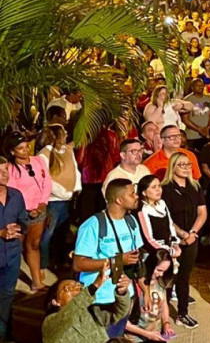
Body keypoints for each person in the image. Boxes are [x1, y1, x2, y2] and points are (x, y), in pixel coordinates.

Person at [73, 179, 142, 340]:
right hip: (100, 300)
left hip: (124, 296)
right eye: (132, 193)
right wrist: (116, 261)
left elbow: (136, 258)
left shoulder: (132, 222)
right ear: (118, 200)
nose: (136, 196)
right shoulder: (93, 225)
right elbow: (78, 263)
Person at [161, 152, 205, 329]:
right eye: (182, 165)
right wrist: (182, 235)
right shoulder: (165, 189)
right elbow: (166, 216)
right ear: (173, 167)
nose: (187, 168)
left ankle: (182, 313)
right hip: (173, 239)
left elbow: (202, 212)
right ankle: (162, 316)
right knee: (169, 277)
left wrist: (192, 233)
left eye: (188, 165)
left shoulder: (194, 186)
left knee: (184, 277)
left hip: (192, 238)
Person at [7, 133, 51, 291]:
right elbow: (13, 192)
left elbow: (47, 182)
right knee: (16, 248)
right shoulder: (11, 170)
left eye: (27, 147)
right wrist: (26, 209)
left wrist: (42, 204)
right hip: (20, 213)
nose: (25, 151)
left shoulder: (38, 161)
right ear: (13, 151)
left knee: (34, 245)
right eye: (20, 148)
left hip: (39, 210)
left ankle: (36, 282)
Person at [36, 123, 79, 276]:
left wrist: (75, 189)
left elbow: (75, 169)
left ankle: (61, 261)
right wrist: (62, 192)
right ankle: (43, 264)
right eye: (63, 133)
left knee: (62, 233)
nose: (66, 135)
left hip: (67, 200)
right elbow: (45, 179)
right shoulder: (45, 154)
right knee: (47, 235)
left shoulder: (67, 151)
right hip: (53, 201)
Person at [0, 157, 26, 342]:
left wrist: (19, 229)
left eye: (6, 170)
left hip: (12, 256)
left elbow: (24, 220)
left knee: (8, 296)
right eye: (0, 171)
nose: (5, 175)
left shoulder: (16, 195)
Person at [132, 247, 175, 340]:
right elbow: (123, 321)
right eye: (159, 270)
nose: (161, 274)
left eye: (164, 271)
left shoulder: (160, 282)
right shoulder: (134, 285)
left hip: (155, 335)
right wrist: (147, 334)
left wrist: (166, 323)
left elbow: (164, 305)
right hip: (136, 338)